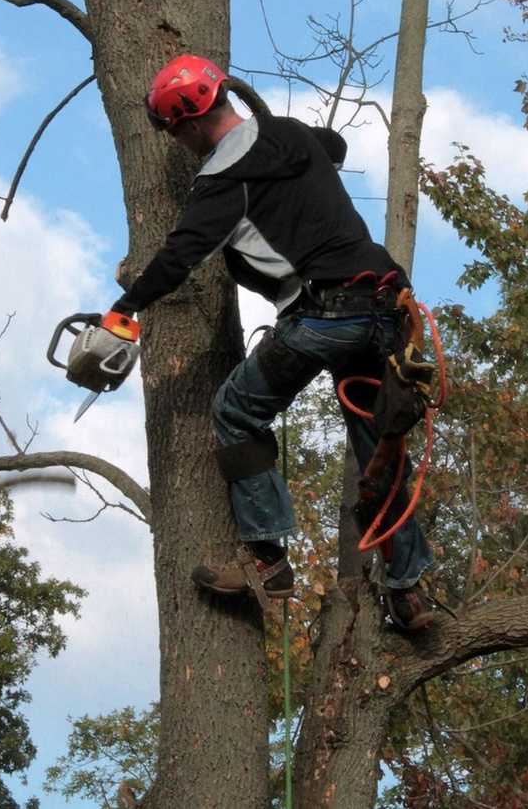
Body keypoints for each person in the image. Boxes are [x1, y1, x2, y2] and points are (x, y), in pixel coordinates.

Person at [112, 54, 435, 631]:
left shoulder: (221, 183)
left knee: (235, 411)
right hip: (387, 309)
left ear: (186, 125)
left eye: (176, 133)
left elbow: (179, 257)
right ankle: (409, 593)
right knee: (376, 448)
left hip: (325, 315)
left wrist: (124, 309)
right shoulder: (290, 135)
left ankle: (266, 561)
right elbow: (331, 146)